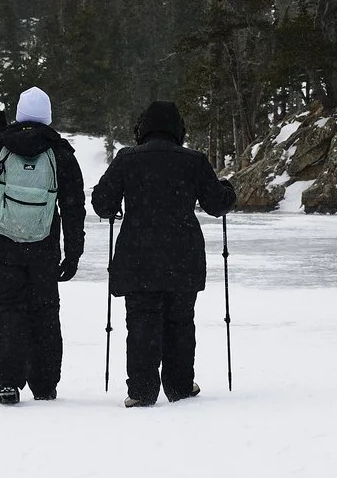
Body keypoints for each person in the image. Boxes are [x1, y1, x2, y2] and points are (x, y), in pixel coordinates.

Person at [90, 100, 236, 407]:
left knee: (141, 321)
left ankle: (142, 390)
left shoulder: (127, 159)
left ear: (142, 128)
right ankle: (180, 385)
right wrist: (227, 189)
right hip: (182, 256)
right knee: (180, 321)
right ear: (178, 130)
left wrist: (115, 199)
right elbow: (216, 204)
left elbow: (102, 202)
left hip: (139, 256)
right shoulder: (193, 161)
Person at [0, 86, 86, 405]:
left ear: (19, 114)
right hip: (44, 250)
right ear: (47, 117)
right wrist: (73, 252)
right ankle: (44, 383)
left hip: (1, 249)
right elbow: (73, 206)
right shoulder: (60, 154)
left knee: (5, 311)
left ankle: (7, 381)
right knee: (44, 312)